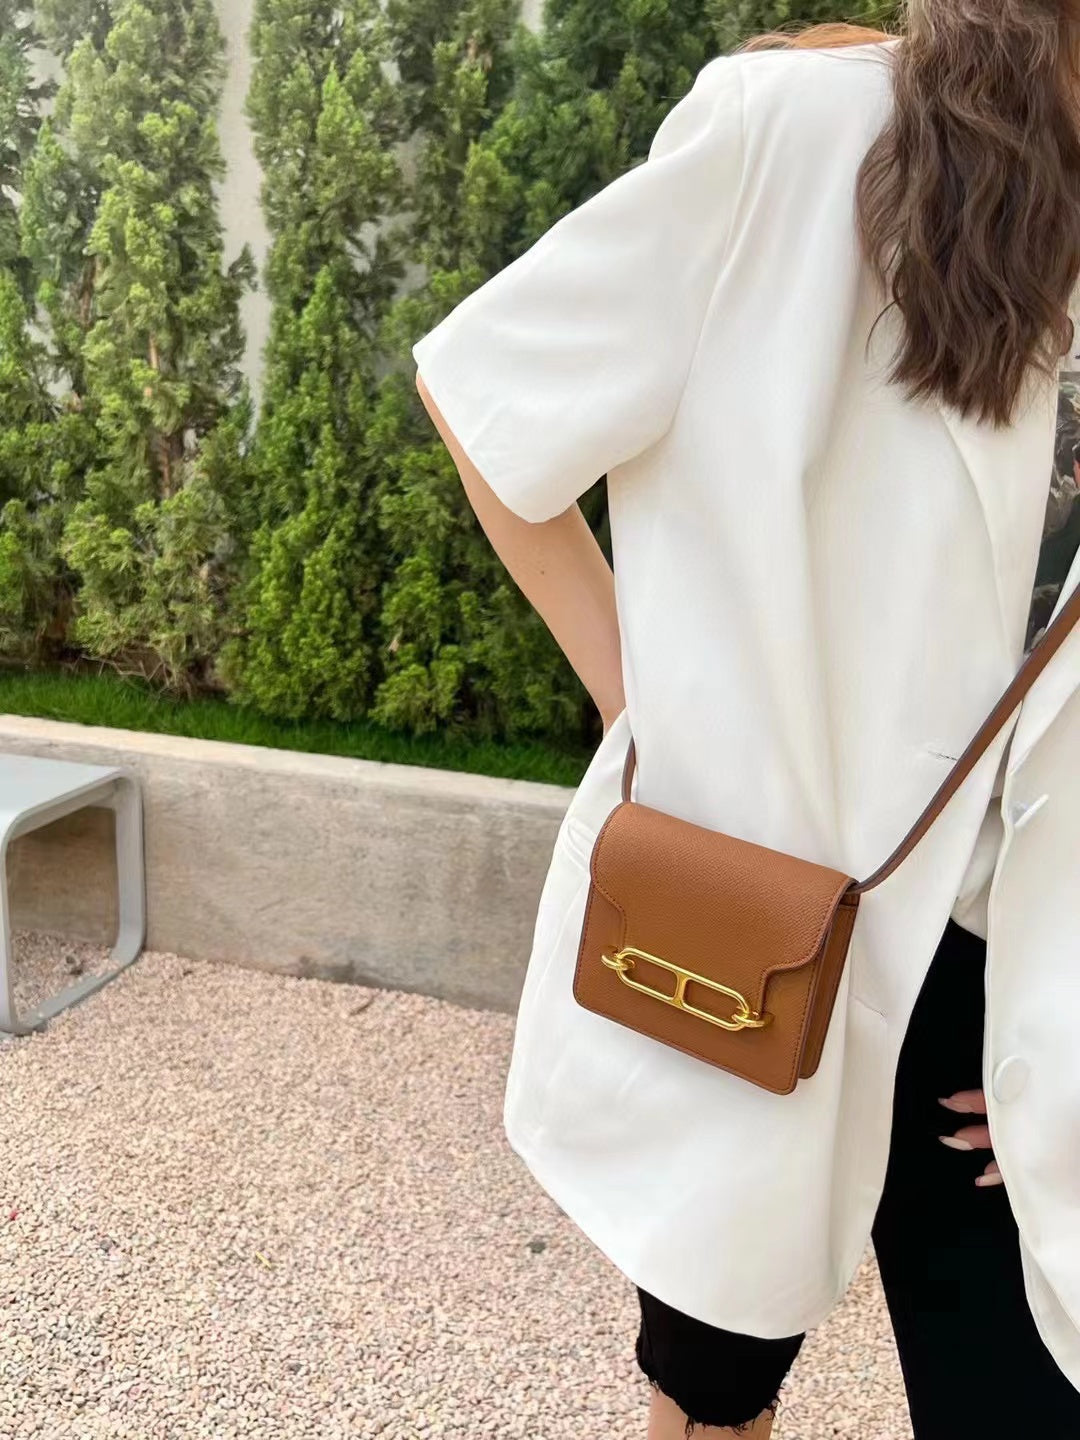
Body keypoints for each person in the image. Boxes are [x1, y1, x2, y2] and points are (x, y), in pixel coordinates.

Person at [412, 6, 1080, 1437]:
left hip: (1027, 959)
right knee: (714, 1386)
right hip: (769, 926)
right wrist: (638, 700)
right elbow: (488, 395)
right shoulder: (800, 130)